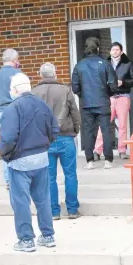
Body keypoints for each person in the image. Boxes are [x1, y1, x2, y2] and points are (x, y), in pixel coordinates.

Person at [0, 73, 59, 252]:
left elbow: (8, 138)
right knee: (43, 199)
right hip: (41, 158)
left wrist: (5, 154)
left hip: (19, 161)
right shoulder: (42, 105)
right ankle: (48, 236)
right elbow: (54, 130)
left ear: (15, 90)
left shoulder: (12, 108)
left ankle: (26, 239)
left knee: (21, 202)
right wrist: (44, 144)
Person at [32, 62, 81, 220]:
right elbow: (75, 113)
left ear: (41, 75)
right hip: (65, 136)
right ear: (55, 74)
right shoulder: (65, 90)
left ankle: (54, 212)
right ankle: (72, 210)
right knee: (70, 174)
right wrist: (75, 131)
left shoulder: (33, 93)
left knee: (49, 177)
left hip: (44, 139)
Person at [71, 37, 118, 170]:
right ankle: (108, 161)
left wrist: (83, 96)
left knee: (88, 132)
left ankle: (89, 161)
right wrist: (106, 94)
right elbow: (113, 85)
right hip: (103, 103)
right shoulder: (105, 64)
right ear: (97, 48)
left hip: (86, 104)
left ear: (86, 48)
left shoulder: (79, 65)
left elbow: (75, 87)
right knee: (106, 131)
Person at [94, 42, 133, 161]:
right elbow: (99, 80)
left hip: (123, 96)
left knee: (122, 125)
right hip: (109, 98)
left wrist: (122, 82)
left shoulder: (128, 63)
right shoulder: (105, 64)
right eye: (113, 49)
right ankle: (97, 151)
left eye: (117, 49)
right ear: (110, 52)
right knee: (103, 124)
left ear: (121, 51)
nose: (115, 51)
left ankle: (122, 151)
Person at [0, 48, 21, 190]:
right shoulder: (17, 73)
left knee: (5, 144)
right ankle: (19, 177)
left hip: (2, 112)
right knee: (21, 143)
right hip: (17, 110)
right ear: (15, 60)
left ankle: (8, 179)